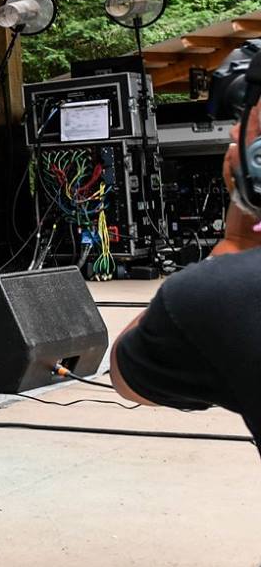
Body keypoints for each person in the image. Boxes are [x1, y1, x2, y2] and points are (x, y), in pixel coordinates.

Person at [109, 59, 261, 423]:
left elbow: (126, 374)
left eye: (246, 125)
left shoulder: (218, 295)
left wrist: (235, 244)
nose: (231, 134)